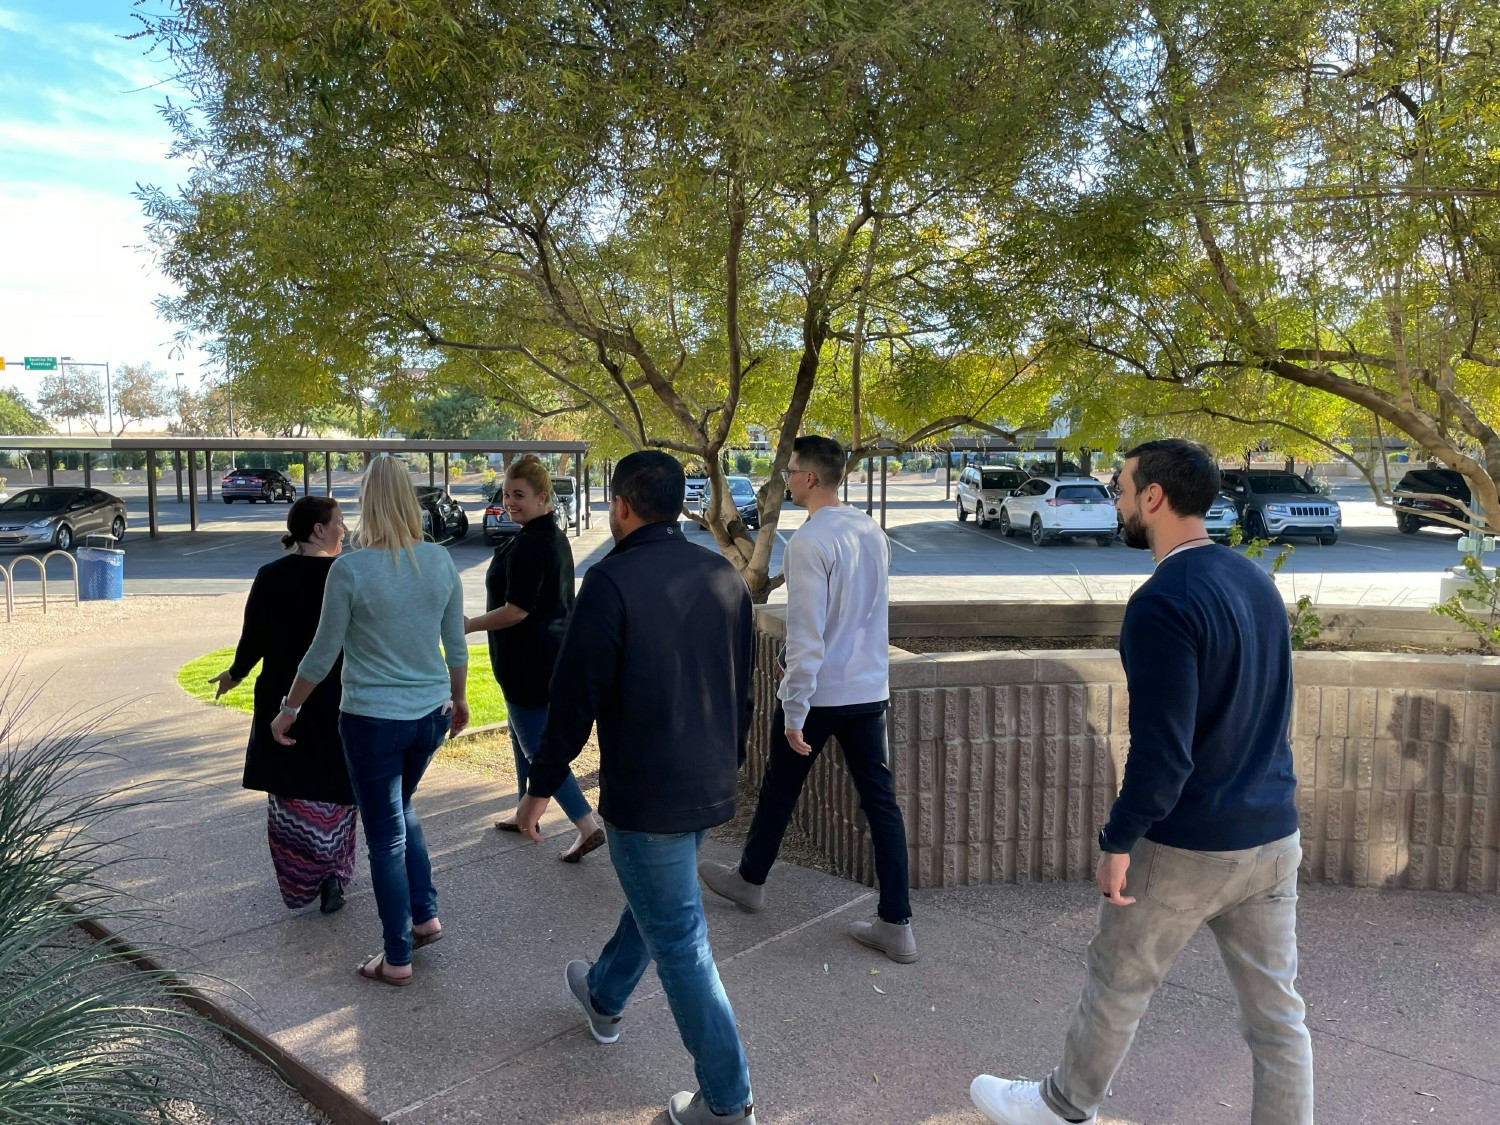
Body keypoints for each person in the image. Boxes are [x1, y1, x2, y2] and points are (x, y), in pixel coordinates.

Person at [970, 438, 1312, 1125]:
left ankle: (1063, 1107)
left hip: (1187, 843)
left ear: (1154, 496)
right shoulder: (1255, 582)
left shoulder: (1162, 601)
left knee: (1119, 980)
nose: (1116, 499)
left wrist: (1118, 839)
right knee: (1278, 1019)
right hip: (1273, 835)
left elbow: (1163, 752)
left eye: (1122, 486)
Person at [515, 451, 757, 1125]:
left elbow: (572, 700)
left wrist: (537, 790)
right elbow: (742, 685)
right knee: (661, 904)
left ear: (622, 505)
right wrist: (730, 758)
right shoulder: (723, 575)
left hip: (649, 794)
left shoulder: (611, 581)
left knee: (680, 935)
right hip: (709, 783)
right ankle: (603, 994)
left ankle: (729, 1101)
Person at [699, 434, 916, 964]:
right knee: (880, 803)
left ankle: (751, 879)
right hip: (867, 691)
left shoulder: (810, 542)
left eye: (791, 469)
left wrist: (793, 709)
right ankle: (897, 921)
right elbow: (860, 618)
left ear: (811, 478)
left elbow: (810, 635)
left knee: (781, 786)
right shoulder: (871, 531)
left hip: (820, 696)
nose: (787, 477)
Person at [270, 455, 469, 987]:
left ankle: (396, 956)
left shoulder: (351, 569)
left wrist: (288, 710)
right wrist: (460, 698)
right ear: (409, 500)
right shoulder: (439, 561)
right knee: (401, 809)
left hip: (372, 721)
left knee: (386, 835)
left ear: (368, 502)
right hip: (431, 715)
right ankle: (424, 916)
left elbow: (321, 655)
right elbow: (456, 644)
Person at [211, 495, 356, 915]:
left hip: (282, 697)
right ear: (318, 530)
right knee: (337, 788)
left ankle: (301, 876)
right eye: (340, 522)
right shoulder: (345, 575)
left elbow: (254, 637)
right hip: (335, 694)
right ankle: (332, 874)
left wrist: (235, 673)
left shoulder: (272, 575)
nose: (344, 529)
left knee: (290, 791)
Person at [463, 455, 604, 861]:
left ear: (544, 497)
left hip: (528, 663)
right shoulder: (550, 536)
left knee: (538, 747)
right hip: (548, 658)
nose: (510, 501)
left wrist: (470, 624)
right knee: (521, 734)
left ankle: (585, 823)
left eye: (519, 495)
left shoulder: (530, 544)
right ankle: (526, 812)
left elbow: (517, 610)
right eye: (506, 494)